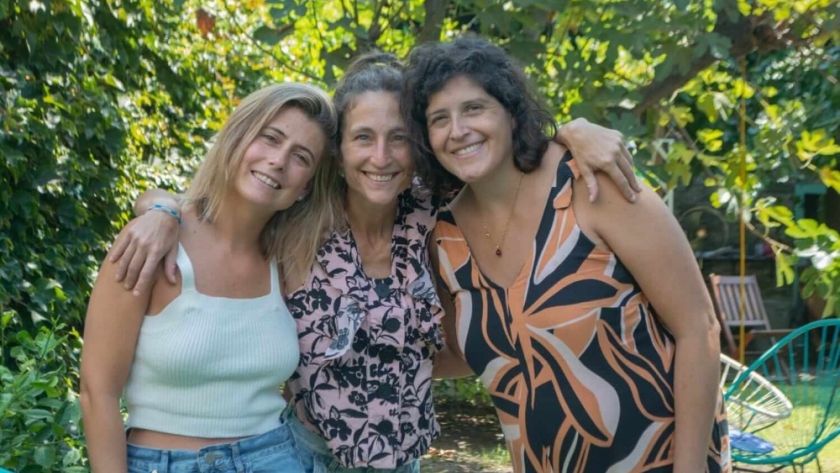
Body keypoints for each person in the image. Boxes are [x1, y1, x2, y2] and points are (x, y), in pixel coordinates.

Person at [109, 52, 640, 472]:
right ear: (338, 151)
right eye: (363, 138)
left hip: (405, 458)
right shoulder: (297, 215)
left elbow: (505, 154)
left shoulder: (436, 213)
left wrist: (571, 132)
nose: (381, 158)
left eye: (399, 140)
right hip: (302, 456)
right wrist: (158, 209)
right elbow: (212, 211)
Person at [403, 36, 730, 473]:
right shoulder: (443, 238)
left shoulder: (592, 185)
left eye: (474, 108)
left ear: (511, 112)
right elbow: (476, 350)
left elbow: (699, 328)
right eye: (439, 118)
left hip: (660, 460)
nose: (458, 130)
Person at [80, 82, 338, 473]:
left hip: (278, 458)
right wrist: (162, 209)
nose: (279, 160)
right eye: (270, 138)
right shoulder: (153, 243)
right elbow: (97, 393)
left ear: (305, 189)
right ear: (238, 137)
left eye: (301, 157)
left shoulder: (292, 261)